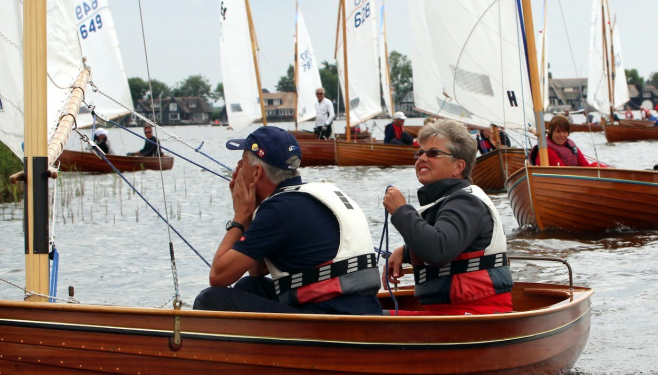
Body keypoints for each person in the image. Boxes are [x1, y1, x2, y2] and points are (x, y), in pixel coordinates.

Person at [194, 126, 382, 315]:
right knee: (250, 286)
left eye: (242, 163)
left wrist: (240, 217)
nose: (238, 169)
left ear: (257, 172)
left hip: (333, 318)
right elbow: (256, 270)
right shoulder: (306, 195)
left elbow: (218, 277)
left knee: (208, 300)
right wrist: (253, 213)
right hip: (354, 307)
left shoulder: (279, 209)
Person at [381, 119, 513, 315]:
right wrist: (406, 252)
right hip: (450, 313)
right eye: (420, 153)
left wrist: (401, 211)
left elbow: (439, 249)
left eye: (433, 153)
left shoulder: (466, 202)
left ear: (458, 167)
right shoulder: (447, 201)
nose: (422, 158)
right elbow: (456, 244)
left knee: (361, 317)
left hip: (475, 315)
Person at [529, 114, 608, 167]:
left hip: (571, 181)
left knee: (596, 165)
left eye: (565, 132)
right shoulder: (546, 148)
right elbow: (561, 171)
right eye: (558, 131)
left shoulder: (570, 146)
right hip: (557, 180)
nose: (562, 135)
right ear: (551, 132)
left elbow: (586, 166)